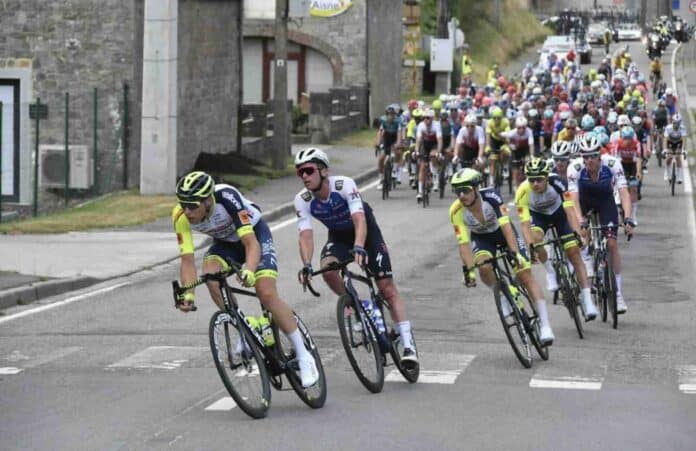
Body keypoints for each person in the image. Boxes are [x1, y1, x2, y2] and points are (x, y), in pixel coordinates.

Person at [172, 171, 319, 387]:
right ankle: (244, 327)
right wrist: (188, 294)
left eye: (192, 205)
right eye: (182, 204)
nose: (187, 210)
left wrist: (249, 269)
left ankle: (303, 354)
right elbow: (187, 261)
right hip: (225, 244)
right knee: (211, 275)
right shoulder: (180, 216)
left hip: (255, 236)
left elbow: (251, 243)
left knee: (265, 292)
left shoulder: (227, 198)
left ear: (207, 200)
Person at [294, 148, 419, 368]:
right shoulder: (302, 200)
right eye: (299, 172)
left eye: (308, 170)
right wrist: (306, 265)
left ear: (323, 171)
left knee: (386, 288)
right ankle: (357, 306)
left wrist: (359, 247)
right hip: (340, 237)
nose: (304, 176)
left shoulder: (343, 185)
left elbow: (359, 219)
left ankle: (408, 345)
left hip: (366, 232)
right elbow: (305, 235)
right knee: (328, 269)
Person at [449, 168, 555, 344]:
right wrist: (468, 271)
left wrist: (515, 255)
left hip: (503, 234)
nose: (461, 195)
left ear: (476, 188)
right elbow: (463, 244)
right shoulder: (455, 211)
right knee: (483, 267)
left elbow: (506, 228)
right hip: (482, 239)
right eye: (457, 191)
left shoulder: (491, 197)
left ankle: (545, 325)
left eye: (465, 190)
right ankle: (502, 294)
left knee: (525, 275)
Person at [516, 158, 599, 320]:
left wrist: (577, 234)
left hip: (559, 214)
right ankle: (550, 272)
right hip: (539, 217)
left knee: (573, 252)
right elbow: (525, 224)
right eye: (531, 180)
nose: (535, 184)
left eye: (539, 179)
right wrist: (530, 247)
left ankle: (588, 300)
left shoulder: (559, 183)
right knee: (535, 240)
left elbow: (570, 211)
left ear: (547, 177)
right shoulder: (522, 191)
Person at [567, 135, 635, 314]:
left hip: (606, 201)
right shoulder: (574, 168)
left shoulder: (612, 164)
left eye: (592, 156)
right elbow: (573, 199)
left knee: (612, 244)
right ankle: (588, 259)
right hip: (584, 201)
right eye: (585, 156)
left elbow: (624, 193)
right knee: (582, 233)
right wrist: (580, 219)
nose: (589, 160)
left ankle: (618, 294)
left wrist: (628, 218)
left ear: (599, 155)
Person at [375, 105, 402, 190]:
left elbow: (399, 134)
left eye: (393, 115)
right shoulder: (383, 121)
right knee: (381, 159)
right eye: (389, 115)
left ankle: (394, 170)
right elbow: (380, 133)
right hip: (386, 139)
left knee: (397, 153)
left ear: (395, 115)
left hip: (394, 138)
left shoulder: (398, 121)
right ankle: (381, 179)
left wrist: (398, 144)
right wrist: (378, 143)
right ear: (386, 115)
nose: (391, 116)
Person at [664, 114, 687, 184]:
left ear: (680, 123)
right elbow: (665, 139)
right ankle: (667, 172)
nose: (676, 124)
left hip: (678, 143)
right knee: (669, 158)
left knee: (677, 157)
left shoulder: (682, 128)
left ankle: (679, 176)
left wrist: (683, 150)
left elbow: (684, 140)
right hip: (670, 143)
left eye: (678, 123)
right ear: (672, 122)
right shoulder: (668, 128)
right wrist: (665, 149)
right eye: (674, 123)